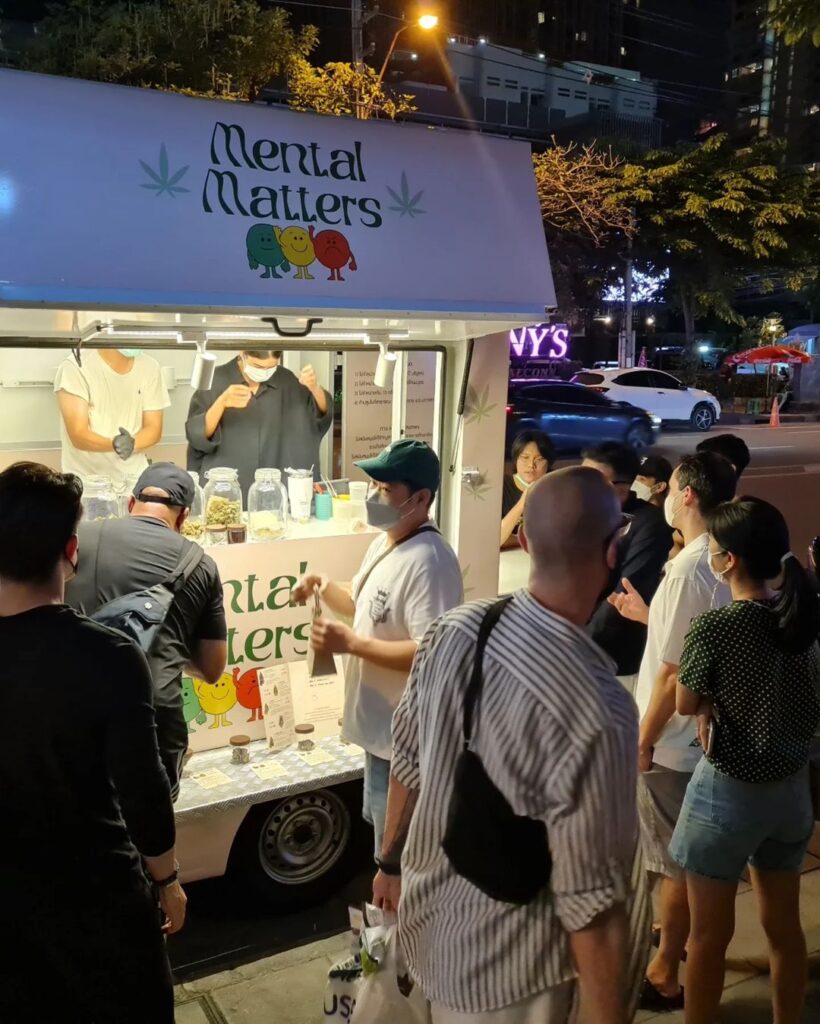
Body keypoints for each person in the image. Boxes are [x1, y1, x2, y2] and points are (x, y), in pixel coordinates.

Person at [374, 468, 650, 1024]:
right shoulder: (599, 705)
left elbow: (405, 760)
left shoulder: (455, 630)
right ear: (613, 550)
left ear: (524, 540)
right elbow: (590, 903)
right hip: (513, 977)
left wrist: (389, 862)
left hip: (427, 936)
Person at [0, 462, 185, 1023]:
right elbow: (144, 790)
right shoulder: (108, 656)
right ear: (71, 551)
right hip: (97, 899)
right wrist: (169, 880)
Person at [670, 498, 820, 1024]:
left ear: (728, 560)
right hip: (791, 791)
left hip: (728, 796)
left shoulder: (717, 627)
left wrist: (708, 700)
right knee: (785, 930)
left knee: (707, 937)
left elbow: (684, 703)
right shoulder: (803, 617)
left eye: (712, 546)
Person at [609, 451, 737, 1012]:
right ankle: (672, 947)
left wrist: (642, 739)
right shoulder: (716, 557)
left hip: (671, 744)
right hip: (693, 739)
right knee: (678, 862)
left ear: (685, 493)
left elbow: (670, 673)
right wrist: (648, 615)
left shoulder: (687, 570)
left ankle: (663, 971)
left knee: (670, 865)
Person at [292, 439, 463, 855]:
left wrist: (352, 643)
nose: (373, 495)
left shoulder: (431, 561)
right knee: (382, 846)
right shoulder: (386, 540)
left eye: (386, 489)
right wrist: (323, 584)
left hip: (405, 742)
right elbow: (361, 601)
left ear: (421, 498)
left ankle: (398, 919)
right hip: (378, 733)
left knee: (398, 860)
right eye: (373, 485)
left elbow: (431, 651)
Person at [67, 463, 227, 798]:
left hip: (73, 711)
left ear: (129, 503)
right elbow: (213, 669)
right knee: (148, 834)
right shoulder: (199, 563)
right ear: (183, 517)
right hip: (153, 722)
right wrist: (166, 646)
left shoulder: (77, 539)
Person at [583, 443, 673, 694]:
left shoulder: (649, 524)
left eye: (593, 480)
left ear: (622, 485)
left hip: (612, 657)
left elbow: (625, 591)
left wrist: (579, 646)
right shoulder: (583, 513)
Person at [186, 349, 332, 497]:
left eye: (271, 367)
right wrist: (222, 403)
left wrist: (315, 388)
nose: (264, 372)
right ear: (242, 354)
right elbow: (197, 435)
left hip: (274, 490)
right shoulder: (216, 380)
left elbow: (318, 417)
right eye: (258, 366)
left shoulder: (286, 380)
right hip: (225, 491)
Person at [54, 346, 170, 488]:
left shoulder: (150, 367)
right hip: (88, 484)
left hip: (135, 481)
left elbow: (154, 428)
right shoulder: (75, 367)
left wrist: (132, 443)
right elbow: (78, 435)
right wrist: (113, 444)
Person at [500, 429, 556, 548]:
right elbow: (496, 538)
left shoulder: (557, 486)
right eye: (525, 457)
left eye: (539, 459)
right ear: (516, 459)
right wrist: (522, 502)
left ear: (549, 463)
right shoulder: (502, 486)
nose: (531, 465)